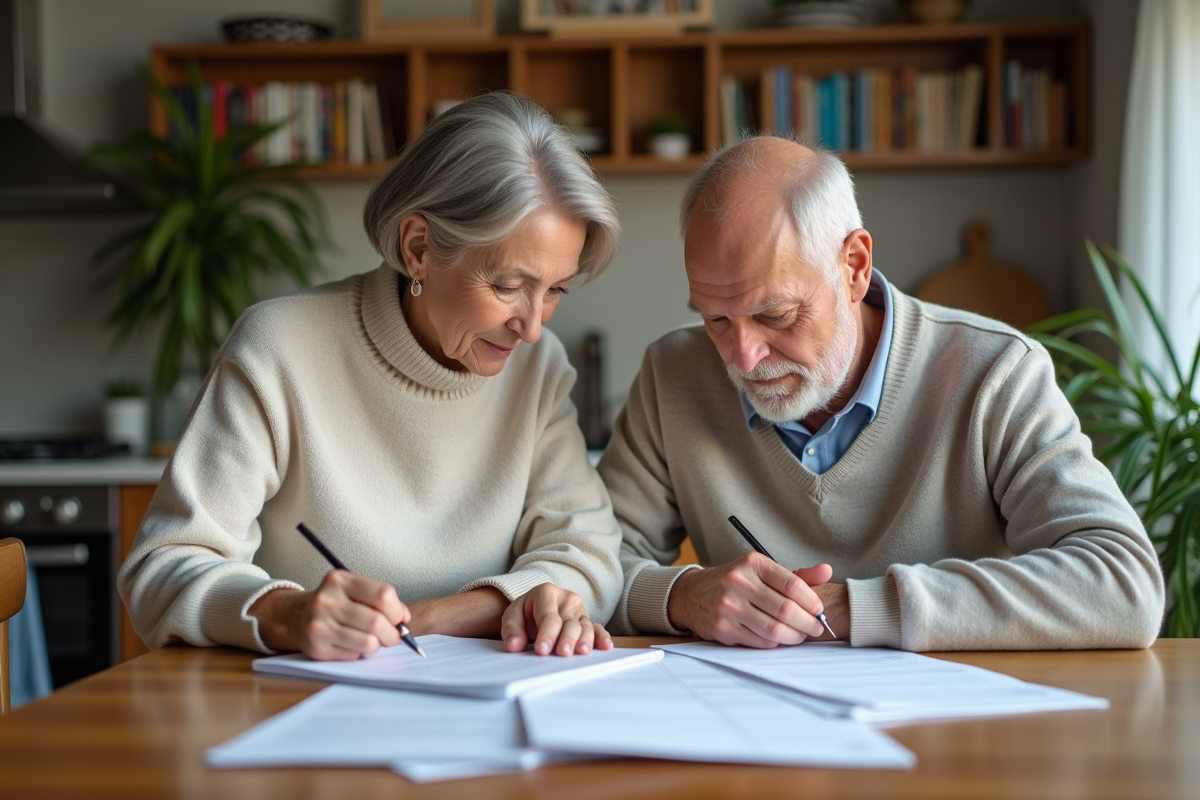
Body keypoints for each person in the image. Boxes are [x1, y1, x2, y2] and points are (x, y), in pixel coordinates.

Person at [601, 135, 1164, 651]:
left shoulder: (995, 373)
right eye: (716, 320)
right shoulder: (672, 376)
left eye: (775, 314)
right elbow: (591, 569)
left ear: (855, 266)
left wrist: (859, 607)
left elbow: (1123, 584)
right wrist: (684, 597)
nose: (742, 358)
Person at [119, 93, 625, 661]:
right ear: (419, 248)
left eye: (555, 290)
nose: (531, 328)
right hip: (295, 700)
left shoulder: (538, 367)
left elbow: (591, 553)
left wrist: (438, 617)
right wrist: (287, 614)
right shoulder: (277, 348)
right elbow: (161, 570)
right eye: (509, 286)